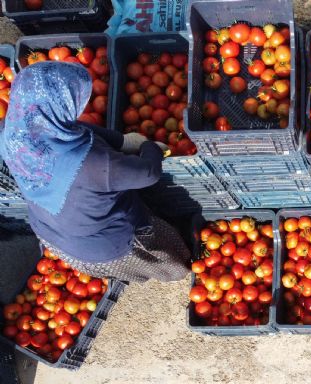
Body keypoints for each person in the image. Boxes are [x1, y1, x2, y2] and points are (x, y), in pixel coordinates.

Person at [0, 61, 190, 283]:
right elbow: (149, 174)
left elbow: (77, 127)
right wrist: (150, 147)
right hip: (105, 244)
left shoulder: (12, 130)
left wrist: (120, 140)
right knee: (160, 254)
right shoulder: (93, 163)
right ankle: (179, 271)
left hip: (50, 231)